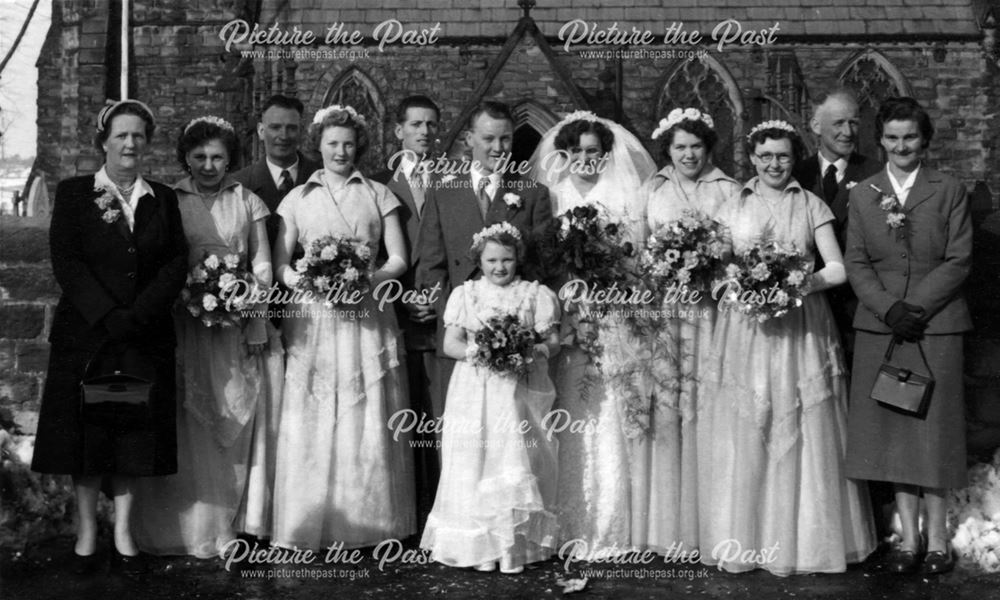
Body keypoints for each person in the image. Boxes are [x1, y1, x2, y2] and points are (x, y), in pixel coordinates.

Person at [700, 120, 875, 574]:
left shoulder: (811, 203)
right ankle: (746, 537)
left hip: (801, 327)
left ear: (793, 157)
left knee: (800, 422)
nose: (774, 164)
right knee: (749, 422)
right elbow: (716, 269)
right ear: (752, 159)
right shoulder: (731, 203)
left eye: (782, 156)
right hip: (746, 331)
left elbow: (838, 268)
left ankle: (804, 542)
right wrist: (741, 288)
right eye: (765, 157)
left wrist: (798, 284)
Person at [30, 99, 188, 575]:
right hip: (89, 336)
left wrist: (137, 314)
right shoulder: (76, 194)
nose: (130, 143)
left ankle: (123, 533)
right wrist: (107, 314)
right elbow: (68, 262)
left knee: (132, 433)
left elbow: (174, 262)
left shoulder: (162, 198)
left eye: (138, 135)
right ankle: (85, 533)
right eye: (120, 134)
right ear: (103, 141)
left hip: (143, 336)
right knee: (89, 436)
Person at [132, 116, 284, 557]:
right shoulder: (170, 199)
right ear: (185, 157)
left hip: (236, 325)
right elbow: (160, 258)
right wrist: (185, 296)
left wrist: (255, 315)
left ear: (230, 158)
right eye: (199, 157)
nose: (209, 165)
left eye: (218, 156)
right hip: (184, 322)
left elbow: (260, 264)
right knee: (188, 415)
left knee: (232, 415)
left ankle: (228, 523)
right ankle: (182, 523)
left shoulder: (248, 201)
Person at [270, 104, 415, 549]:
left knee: (363, 410)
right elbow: (280, 262)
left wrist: (364, 280)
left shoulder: (378, 194)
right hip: (313, 319)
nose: (341, 151)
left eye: (349, 144)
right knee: (312, 412)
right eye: (332, 143)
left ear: (360, 147)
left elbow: (399, 259)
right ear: (319, 145)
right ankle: (308, 522)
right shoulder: (297, 198)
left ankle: (368, 524)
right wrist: (309, 283)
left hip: (365, 314)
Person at [844, 97, 972, 576]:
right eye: (893, 137)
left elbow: (959, 259)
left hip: (936, 325)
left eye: (911, 137)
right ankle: (908, 539)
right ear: (880, 140)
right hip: (884, 328)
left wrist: (915, 308)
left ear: (925, 141)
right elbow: (856, 260)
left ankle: (938, 541)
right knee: (896, 432)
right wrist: (889, 308)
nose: (901, 146)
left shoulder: (948, 189)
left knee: (932, 432)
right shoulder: (864, 194)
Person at [529, 110, 656, 554]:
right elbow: (544, 260)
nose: (585, 159)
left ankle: (611, 523)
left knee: (610, 413)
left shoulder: (626, 193)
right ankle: (565, 523)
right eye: (576, 152)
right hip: (567, 315)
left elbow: (635, 259)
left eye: (593, 152)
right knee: (570, 411)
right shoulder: (553, 193)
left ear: (606, 155)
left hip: (615, 314)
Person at [420, 223, 561, 574]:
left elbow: (553, 341)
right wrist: (480, 351)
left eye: (507, 260)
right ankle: (479, 545)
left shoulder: (534, 294)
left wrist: (530, 348)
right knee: (475, 459)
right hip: (475, 389)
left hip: (518, 391)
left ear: (518, 260)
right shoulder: (465, 294)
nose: (500, 268)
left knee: (513, 458)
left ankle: (513, 547)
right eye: (492, 260)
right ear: (479, 261)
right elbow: (449, 343)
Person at [635, 107, 740, 555]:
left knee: (709, 404)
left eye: (696, 146)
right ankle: (667, 524)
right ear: (668, 149)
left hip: (711, 312)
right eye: (680, 147)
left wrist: (710, 268)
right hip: (663, 310)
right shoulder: (652, 187)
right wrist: (660, 267)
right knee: (667, 406)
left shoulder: (729, 189)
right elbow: (636, 248)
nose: (689, 154)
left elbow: (739, 248)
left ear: (708, 147)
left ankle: (712, 524)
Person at [416, 100, 553, 422]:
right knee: (462, 432)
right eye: (489, 139)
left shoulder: (532, 194)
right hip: (461, 339)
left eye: (505, 139)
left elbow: (542, 265)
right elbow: (429, 264)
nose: (498, 147)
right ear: (469, 139)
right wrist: (456, 317)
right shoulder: (444, 193)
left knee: (512, 430)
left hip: (515, 342)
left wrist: (514, 328)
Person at [372, 95, 443, 518]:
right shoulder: (378, 184)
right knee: (400, 419)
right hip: (393, 314)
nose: (424, 132)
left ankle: (439, 510)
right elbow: (372, 254)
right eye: (415, 124)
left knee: (439, 420)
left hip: (438, 315)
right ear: (398, 130)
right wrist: (399, 301)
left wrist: (438, 298)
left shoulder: (455, 180)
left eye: (431, 124)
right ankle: (407, 511)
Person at [792, 90, 882, 367]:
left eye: (854, 123)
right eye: (839, 123)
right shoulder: (795, 174)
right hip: (807, 308)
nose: (848, 131)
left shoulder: (877, 173)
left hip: (858, 306)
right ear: (816, 126)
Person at [232, 94, 321, 247]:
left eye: (291, 128)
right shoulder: (239, 184)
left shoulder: (321, 178)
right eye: (275, 127)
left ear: (301, 131)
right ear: (260, 131)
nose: (283, 136)